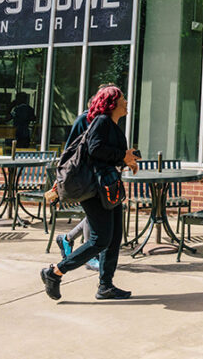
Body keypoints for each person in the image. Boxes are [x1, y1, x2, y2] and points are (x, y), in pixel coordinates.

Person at [40, 85, 140, 301]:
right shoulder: (102, 121)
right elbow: (94, 150)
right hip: (95, 189)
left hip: (108, 186)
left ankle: (106, 286)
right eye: (123, 98)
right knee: (100, 240)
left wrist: (126, 159)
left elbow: (105, 154)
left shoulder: (111, 124)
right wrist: (122, 155)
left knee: (114, 238)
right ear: (112, 103)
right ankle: (55, 271)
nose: (126, 102)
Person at [55, 84, 115, 271]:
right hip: (84, 178)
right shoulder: (84, 119)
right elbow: (70, 150)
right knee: (95, 217)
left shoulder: (106, 121)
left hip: (100, 178)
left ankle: (67, 238)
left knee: (97, 217)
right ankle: (88, 257)